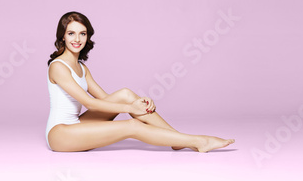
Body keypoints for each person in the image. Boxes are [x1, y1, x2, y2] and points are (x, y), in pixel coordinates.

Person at [46, 11, 235, 153]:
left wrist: (134, 103)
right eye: (71, 33)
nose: (77, 39)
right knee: (133, 126)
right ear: (62, 35)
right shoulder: (58, 67)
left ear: (87, 36)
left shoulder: (82, 68)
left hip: (77, 124)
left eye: (82, 33)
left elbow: (107, 100)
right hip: (59, 134)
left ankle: (177, 139)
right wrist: (131, 109)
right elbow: (89, 103)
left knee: (125, 94)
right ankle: (198, 141)